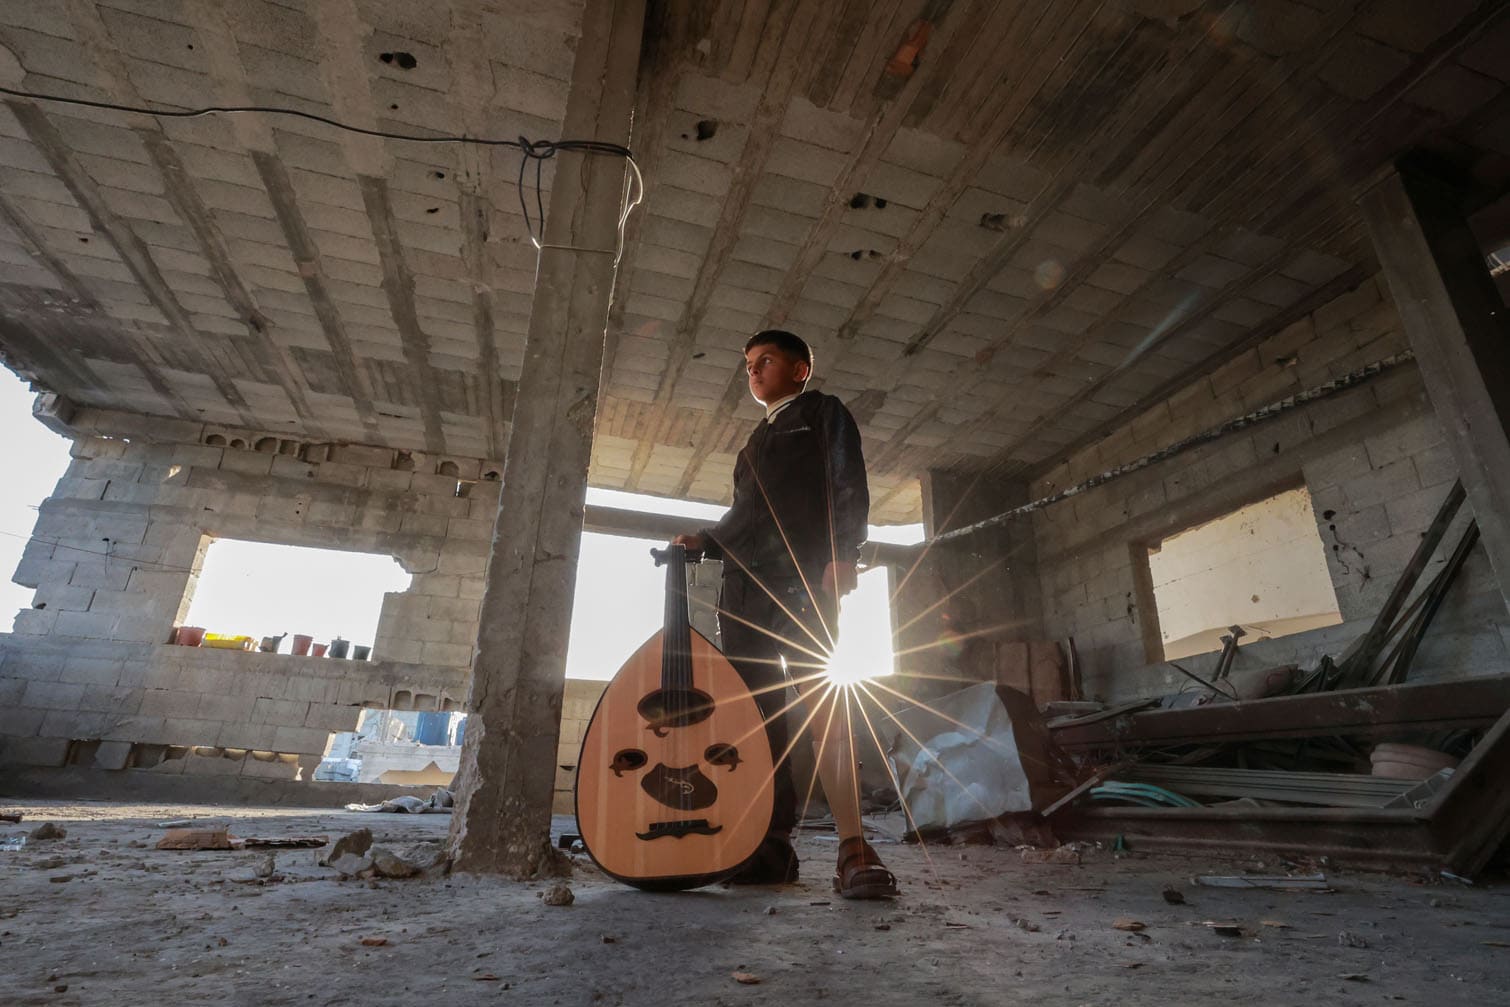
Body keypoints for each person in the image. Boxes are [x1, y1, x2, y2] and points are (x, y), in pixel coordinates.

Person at [672, 329, 897, 900]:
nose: (752, 370)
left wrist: (845, 553)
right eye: (748, 363)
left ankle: (853, 848)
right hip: (743, 595)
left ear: (799, 370)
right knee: (757, 719)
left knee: (823, 702)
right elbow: (745, 517)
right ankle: (768, 850)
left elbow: (848, 483)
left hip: (802, 582)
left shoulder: (822, 414)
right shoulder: (752, 445)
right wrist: (707, 540)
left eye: (765, 360)